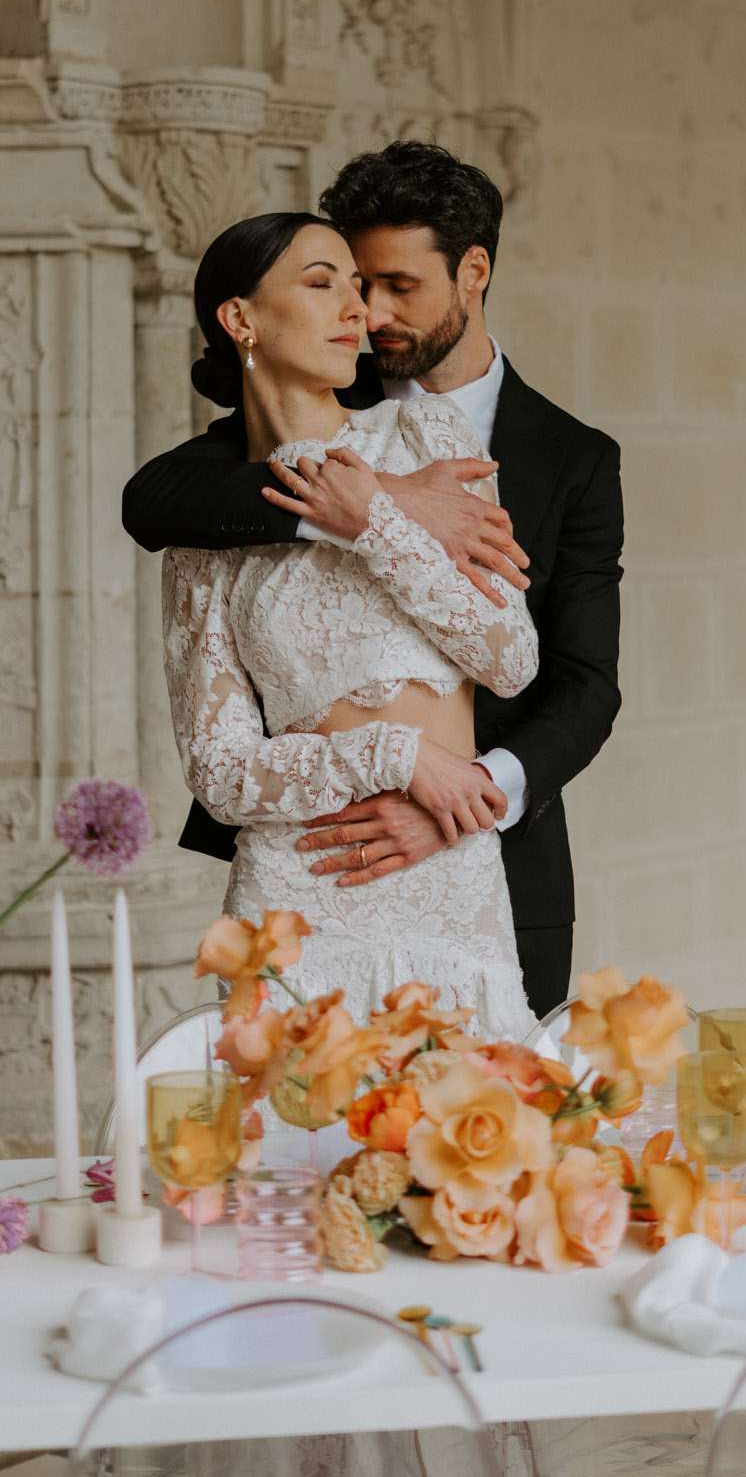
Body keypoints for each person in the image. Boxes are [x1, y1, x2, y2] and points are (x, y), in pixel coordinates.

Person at [124, 142, 624, 1016]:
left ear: (472, 273)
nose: (367, 312)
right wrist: (371, 502)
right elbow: (153, 502)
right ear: (244, 319)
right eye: (345, 282)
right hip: (298, 873)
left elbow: (565, 678)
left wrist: (459, 800)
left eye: (392, 285)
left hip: (472, 860)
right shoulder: (226, 487)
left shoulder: (547, 455)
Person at [158, 206, 538, 1034]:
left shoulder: (422, 435)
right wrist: (394, 753)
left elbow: (509, 656)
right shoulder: (207, 527)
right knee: (289, 1157)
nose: (357, 311)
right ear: (240, 319)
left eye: (359, 289)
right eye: (322, 282)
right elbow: (220, 774)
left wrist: (374, 520)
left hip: (446, 878)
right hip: (295, 894)